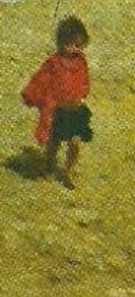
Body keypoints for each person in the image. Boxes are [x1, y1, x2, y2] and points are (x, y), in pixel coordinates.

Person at [22, 16, 93, 188]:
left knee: (74, 144)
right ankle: (49, 164)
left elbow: (84, 81)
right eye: (71, 44)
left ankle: (68, 171)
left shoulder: (81, 61)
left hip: (75, 109)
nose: (75, 49)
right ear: (62, 43)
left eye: (78, 45)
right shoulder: (53, 62)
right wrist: (32, 95)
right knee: (53, 142)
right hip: (58, 111)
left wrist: (83, 94)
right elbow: (41, 80)